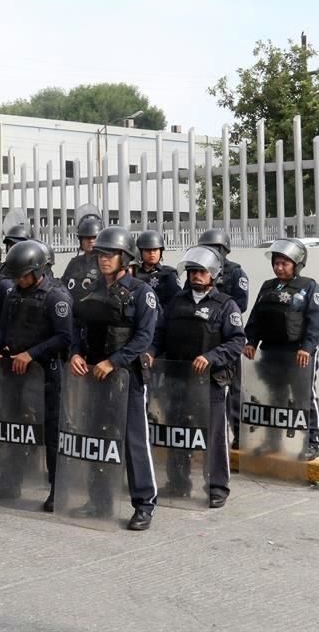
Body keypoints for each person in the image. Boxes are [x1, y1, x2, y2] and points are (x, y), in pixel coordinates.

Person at [68, 226, 158, 531]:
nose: (104, 259)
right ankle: (99, 499)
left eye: (111, 254)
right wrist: (75, 354)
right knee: (98, 439)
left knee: (134, 442)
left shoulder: (141, 293)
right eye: (101, 254)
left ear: (126, 257)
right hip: (95, 375)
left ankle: (143, 504)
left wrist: (113, 361)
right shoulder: (91, 288)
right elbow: (77, 327)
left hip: (127, 377)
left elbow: (143, 338)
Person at [148, 246, 245, 508]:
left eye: (201, 272)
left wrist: (211, 357)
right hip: (178, 380)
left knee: (213, 436)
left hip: (211, 382)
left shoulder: (226, 305)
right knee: (178, 433)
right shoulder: (177, 302)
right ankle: (178, 482)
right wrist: (151, 353)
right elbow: (159, 334)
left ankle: (216, 487)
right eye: (192, 272)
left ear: (213, 274)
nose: (196, 276)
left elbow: (237, 341)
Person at [0, 240, 73, 511]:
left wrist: (31, 354)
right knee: (15, 429)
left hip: (46, 372)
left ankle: (59, 490)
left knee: (52, 433)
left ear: (37, 271)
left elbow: (64, 337)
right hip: (16, 371)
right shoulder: (13, 293)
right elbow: (2, 327)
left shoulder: (56, 297)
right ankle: (11, 480)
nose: (18, 281)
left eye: (23, 275)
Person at [243, 238, 319, 461]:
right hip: (271, 352)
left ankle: (312, 442)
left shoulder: (309, 287)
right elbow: (256, 317)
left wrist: (307, 349)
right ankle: (272, 441)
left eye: (285, 264)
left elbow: (314, 322)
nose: (279, 267)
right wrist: (251, 341)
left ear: (297, 265)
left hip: (297, 353)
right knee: (274, 397)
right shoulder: (268, 286)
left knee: (303, 397)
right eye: (277, 263)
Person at [197, 229, 250, 449]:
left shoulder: (235, 272)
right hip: (202, 338)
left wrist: (217, 302)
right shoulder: (198, 269)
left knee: (233, 391)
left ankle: (238, 432)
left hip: (225, 336)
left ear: (225, 250)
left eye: (216, 248)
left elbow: (241, 304)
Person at [135, 230, 181, 307]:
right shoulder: (134, 273)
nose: (152, 253)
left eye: (155, 249)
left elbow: (175, 301)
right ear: (141, 252)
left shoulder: (169, 274)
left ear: (161, 251)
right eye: (148, 250)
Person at [61, 214, 103, 298]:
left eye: (94, 237)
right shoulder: (74, 262)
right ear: (81, 240)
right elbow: (63, 284)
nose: (91, 241)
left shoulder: (104, 263)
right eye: (87, 238)